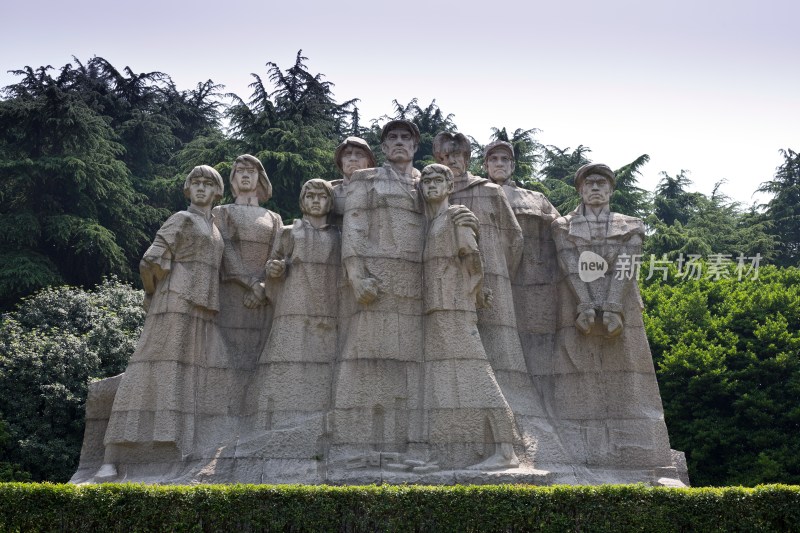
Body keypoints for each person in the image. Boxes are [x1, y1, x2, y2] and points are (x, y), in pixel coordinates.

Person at [332, 120, 478, 465]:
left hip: (418, 283)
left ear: (415, 146)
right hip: (377, 283)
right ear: (383, 148)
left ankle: (412, 445)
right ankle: (357, 445)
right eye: (392, 138)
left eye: (406, 138)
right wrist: (355, 274)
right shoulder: (366, 180)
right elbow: (353, 225)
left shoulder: (425, 181)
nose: (399, 143)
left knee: (413, 364)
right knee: (368, 357)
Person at [96, 165, 225, 479]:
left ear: (217, 191)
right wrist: (154, 293)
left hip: (202, 307)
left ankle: (176, 448)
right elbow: (151, 259)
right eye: (195, 182)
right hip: (175, 300)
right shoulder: (181, 219)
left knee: (186, 376)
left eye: (208, 183)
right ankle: (114, 454)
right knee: (151, 367)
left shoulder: (215, 227)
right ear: (187, 188)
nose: (201, 188)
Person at [550, 163, 673, 469]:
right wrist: (586, 305)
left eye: (601, 184)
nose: (595, 188)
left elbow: (626, 268)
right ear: (580, 189)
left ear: (610, 190)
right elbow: (569, 265)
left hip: (624, 306)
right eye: (589, 183)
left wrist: (613, 307)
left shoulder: (630, 224)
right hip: (577, 306)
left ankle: (639, 444)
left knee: (631, 371)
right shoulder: (562, 225)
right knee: (576, 372)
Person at [433, 132, 541, 426]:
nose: (451, 161)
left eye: (457, 156)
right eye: (445, 157)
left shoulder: (490, 191)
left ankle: (514, 416)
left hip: (493, 281)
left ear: (467, 158)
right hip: (447, 285)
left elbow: (514, 238)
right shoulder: (434, 193)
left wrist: (500, 273)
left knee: (500, 348)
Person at [419, 164, 519, 470]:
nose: (431, 185)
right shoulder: (434, 221)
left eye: (438, 180)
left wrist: (473, 293)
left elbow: (473, 257)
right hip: (439, 305)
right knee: (448, 379)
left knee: (478, 374)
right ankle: (447, 454)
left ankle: (506, 450)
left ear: (450, 186)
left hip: (454, 305)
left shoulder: (456, 215)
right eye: (427, 181)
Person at [250, 179, 340, 457]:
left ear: (329, 202)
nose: (315, 201)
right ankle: (273, 423)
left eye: (321, 197)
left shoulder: (339, 234)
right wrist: (274, 270)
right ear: (302, 201)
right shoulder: (289, 232)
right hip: (292, 303)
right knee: (283, 358)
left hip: (326, 305)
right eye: (310, 196)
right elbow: (272, 266)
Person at [482, 141, 560, 425]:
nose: (499, 163)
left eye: (505, 159)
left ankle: (544, 413)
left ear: (513, 165)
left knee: (537, 349)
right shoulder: (475, 193)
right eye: (494, 159)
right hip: (490, 280)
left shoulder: (534, 198)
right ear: (485, 165)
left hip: (534, 283)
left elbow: (562, 229)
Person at [211, 155, 282, 437]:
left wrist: (263, 286)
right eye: (239, 171)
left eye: (250, 171)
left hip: (262, 299)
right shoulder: (222, 211)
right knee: (229, 355)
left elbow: (278, 253)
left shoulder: (274, 218)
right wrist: (249, 283)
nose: (244, 175)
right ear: (232, 178)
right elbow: (224, 248)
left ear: (260, 178)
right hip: (231, 294)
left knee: (257, 356)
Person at [329, 136, 377, 227]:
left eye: (359, 154)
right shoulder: (329, 192)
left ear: (369, 162)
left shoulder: (378, 190)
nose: (353, 158)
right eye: (347, 154)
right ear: (340, 161)